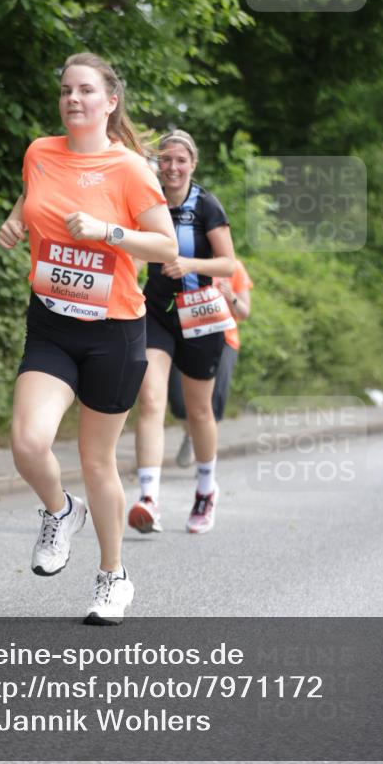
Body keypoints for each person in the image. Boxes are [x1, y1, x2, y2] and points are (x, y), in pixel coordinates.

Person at [0, 53, 177, 625]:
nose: (73, 99)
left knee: (97, 462)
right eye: (66, 91)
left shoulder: (129, 168)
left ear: (109, 101)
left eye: (86, 91)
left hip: (115, 331)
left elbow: (166, 246)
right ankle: (58, 511)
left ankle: (112, 577)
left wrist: (108, 232)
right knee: (28, 442)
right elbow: (39, 191)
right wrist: (17, 218)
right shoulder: (39, 152)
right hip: (52, 321)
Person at [128, 129, 236, 536]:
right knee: (151, 399)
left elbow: (228, 264)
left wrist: (190, 266)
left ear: (192, 164)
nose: (172, 167)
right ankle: (148, 498)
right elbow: (136, 250)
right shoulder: (146, 198)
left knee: (198, 410)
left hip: (200, 314)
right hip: (155, 312)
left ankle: (206, 490)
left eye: (180, 160)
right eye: (165, 160)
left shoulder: (206, 204)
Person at [172, 261, 253, 467]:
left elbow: (244, 312)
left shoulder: (233, 267)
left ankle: (206, 462)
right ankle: (190, 435)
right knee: (179, 401)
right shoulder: (185, 262)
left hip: (224, 338)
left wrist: (231, 296)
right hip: (188, 336)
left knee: (213, 402)